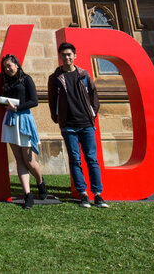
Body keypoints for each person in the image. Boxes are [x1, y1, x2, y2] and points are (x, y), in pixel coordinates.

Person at [48, 42, 108, 208]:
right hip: (69, 125)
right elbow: (52, 100)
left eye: (69, 54)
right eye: (63, 55)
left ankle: (97, 194)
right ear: (60, 58)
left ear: (74, 56)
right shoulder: (55, 78)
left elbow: (94, 96)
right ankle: (82, 194)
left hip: (86, 123)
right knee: (75, 159)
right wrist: (58, 119)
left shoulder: (84, 75)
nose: (66, 57)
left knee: (91, 159)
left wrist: (93, 114)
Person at [0, 55, 48, 208]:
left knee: (29, 160)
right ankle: (28, 195)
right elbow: (3, 101)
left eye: (9, 66)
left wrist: (17, 108)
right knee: (19, 159)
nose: (7, 69)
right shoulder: (7, 83)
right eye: (5, 67)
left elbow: (34, 101)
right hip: (10, 121)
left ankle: (40, 182)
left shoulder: (26, 79)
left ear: (17, 65)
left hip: (24, 120)